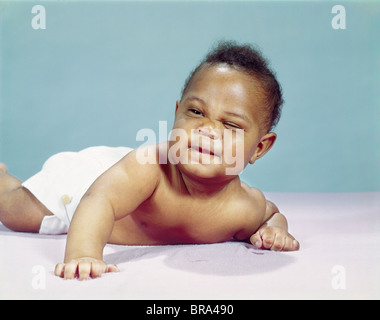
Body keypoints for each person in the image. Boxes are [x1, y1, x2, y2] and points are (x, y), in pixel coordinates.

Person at [0, 41, 299, 280]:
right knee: (15, 212)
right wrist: (84, 254)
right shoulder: (150, 167)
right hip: (86, 188)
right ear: (177, 112)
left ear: (259, 148)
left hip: (111, 184)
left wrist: (277, 230)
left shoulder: (246, 207)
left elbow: (270, 214)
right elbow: (99, 199)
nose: (207, 130)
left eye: (231, 125)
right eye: (196, 112)